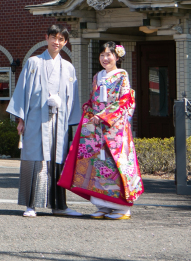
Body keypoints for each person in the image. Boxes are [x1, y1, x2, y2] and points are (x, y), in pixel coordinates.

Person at [58, 42, 144, 220]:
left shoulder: (122, 75)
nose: (105, 59)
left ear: (117, 57)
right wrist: (89, 112)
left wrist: (104, 116)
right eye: (102, 55)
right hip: (97, 128)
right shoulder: (97, 76)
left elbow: (125, 101)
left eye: (109, 55)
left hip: (115, 129)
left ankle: (121, 207)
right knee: (97, 164)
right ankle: (103, 205)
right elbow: (93, 99)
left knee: (115, 164)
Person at [6, 24, 82, 217]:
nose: (57, 42)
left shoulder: (69, 68)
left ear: (65, 43)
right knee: (34, 159)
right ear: (46, 38)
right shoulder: (33, 62)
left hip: (59, 121)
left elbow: (72, 98)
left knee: (57, 161)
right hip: (35, 119)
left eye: (61, 39)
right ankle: (31, 205)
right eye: (53, 37)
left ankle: (59, 206)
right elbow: (23, 91)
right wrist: (21, 119)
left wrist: (68, 117)